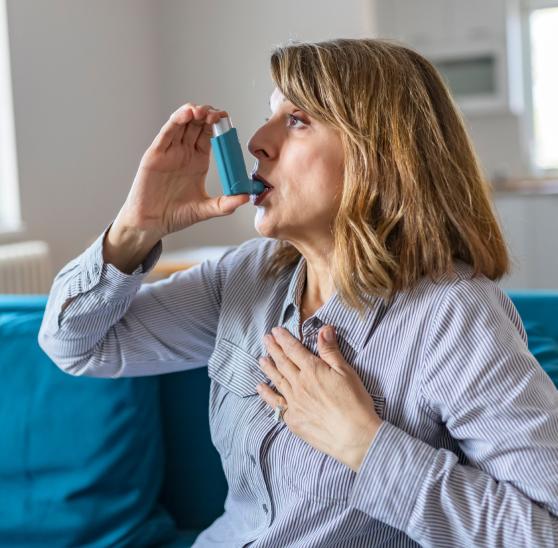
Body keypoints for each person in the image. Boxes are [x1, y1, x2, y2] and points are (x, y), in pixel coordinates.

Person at [38, 38, 558, 547]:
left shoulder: (453, 317)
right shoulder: (247, 276)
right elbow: (74, 344)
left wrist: (367, 446)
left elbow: (545, 529)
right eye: (270, 115)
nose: (257, 142)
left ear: (378, 154)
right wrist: (138, 226)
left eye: (297, 120)